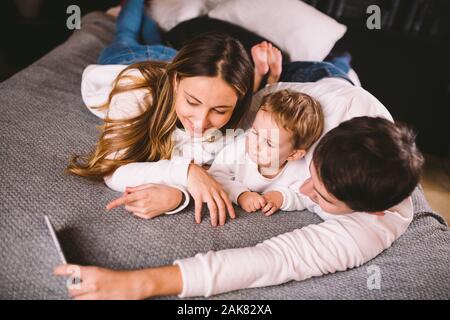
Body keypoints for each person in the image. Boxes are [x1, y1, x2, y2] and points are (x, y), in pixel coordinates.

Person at [54, 116, 424, 299]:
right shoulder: (335, 121)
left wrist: (139, 283)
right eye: (310, 173)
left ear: (371, 211)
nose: (302, 188)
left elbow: (269, 262)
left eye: (323, 197)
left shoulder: (369, 230)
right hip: (323, 84)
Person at [69, 0, 255, 226]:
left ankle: (151, 20)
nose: (201, 121)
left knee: (154, 34)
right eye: (192, 102)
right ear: (176, 82)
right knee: (126, 34)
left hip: (170, 54)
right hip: (127, 61)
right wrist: (187, 172)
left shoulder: (236, 110)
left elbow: (220, 173)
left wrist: (178, 195)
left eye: (219, 110)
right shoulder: (136, 89)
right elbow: (113, 169)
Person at [208, 89, 324, 215]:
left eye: (269, 143)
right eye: (255, 132)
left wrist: (281, 197)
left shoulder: (298, 171)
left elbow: (305, 197)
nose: (256, 144)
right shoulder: (239, 149)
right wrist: (241, 194)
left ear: (293, 154)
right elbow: (215, 176)